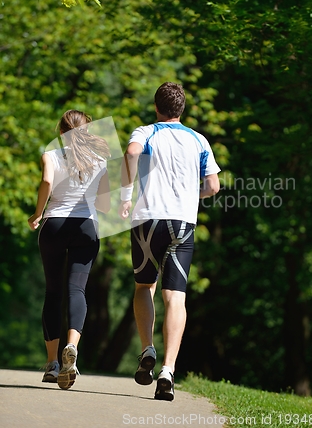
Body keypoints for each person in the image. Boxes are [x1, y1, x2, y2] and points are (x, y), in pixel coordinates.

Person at [119, 82, 220, 401]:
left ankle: (147, 348)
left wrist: (125, 195)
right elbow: (214, 186)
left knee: (143, 287)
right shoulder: (199, 139)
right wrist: (193, 193)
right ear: (182, 109)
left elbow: (132, 152)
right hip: (182, 222)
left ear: (156, 107)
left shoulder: (146, 131)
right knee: (176, 297)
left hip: (147, 219)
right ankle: (168, 369)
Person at [28, 110, 110, 390]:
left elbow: (48, 183)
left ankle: (52, 363)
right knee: (77, 290)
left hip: (54, 224)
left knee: (53, 292)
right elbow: (104, 203)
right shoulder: (99, 159)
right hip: (86, 226)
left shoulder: (50, 155)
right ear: (87, 131)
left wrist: (37, 214)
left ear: (60, 131)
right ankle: (71, 349)